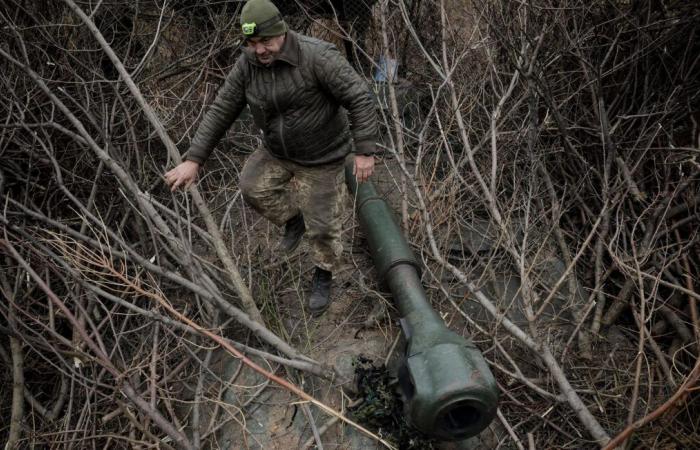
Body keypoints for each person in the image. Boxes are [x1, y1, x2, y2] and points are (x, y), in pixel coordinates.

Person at [164, 0, 377, 316]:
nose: (259, 50)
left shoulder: (317, 56)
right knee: (252, 186)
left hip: (322, 156)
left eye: (265, 41)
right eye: (251, 43)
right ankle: (294, 220)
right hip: (277, 150)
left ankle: (323, 273)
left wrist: (364, 151)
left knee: (324, 229)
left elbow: (359, 97)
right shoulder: (248, 64)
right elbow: (222, 108)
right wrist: (194, 159)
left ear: (281, 32)